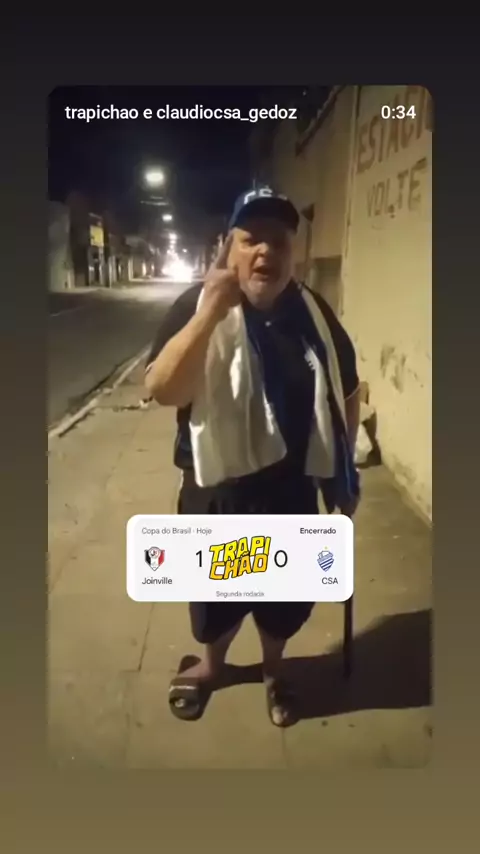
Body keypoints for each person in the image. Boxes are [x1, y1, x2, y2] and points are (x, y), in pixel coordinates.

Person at [145, 186, 361, 727]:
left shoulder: (314, 314)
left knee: (282, 599)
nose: (265, 251)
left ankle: (273, 670)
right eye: (251, 239)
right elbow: (164, 389)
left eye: (278, 241)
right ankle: (212, 666)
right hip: (218, 490)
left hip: (290, 491)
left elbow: (347, 392)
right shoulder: (195, 305)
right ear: (229, 248)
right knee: (215, 597)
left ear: (294, 253)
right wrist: (212, 311)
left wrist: (343, 472)